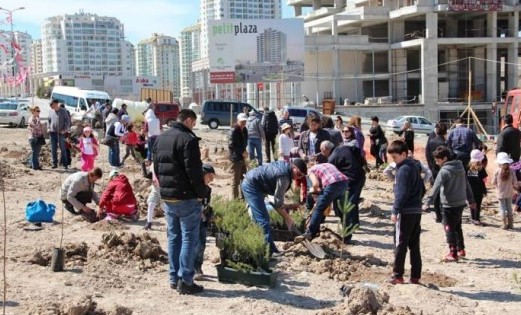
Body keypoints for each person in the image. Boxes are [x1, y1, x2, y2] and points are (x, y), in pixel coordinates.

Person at [154, 109, 207, 295]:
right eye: (193, 123)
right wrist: (201, 193)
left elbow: (156, 167)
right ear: (189, 120)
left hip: (168, 196)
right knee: (188, 239)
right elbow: (194, 172)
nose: (194, 126)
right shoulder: (188, 140)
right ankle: (185, 280)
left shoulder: (161, 138)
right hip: (186, 197)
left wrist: (164, 189)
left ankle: (173, 277)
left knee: (174, 237)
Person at [241, 159, 307, 254]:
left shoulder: (285, 166)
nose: (299, 177)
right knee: (263, 220)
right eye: (299, 173)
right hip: (252, 186)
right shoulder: (284, 177)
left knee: (259, 219)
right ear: (294, 167)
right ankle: (270, 251)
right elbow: (277, 203)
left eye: (301, 176)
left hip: (257, 184)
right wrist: (288, 219)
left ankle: (257, 245)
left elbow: (276, 200)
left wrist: (287, 207)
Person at [424, 146, 476, 262]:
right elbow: (466, 185)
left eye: (438, 160)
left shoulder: (444, 171)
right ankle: (460, 249)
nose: (437, 163)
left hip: (449, 203)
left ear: (445, 158)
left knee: (448, 227)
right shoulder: (461, 167)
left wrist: (427, 202)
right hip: (461, 202)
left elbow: (435, 187)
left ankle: (453, 253)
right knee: (457, 226)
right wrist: (471, 200)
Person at [386, 140, 423, 285]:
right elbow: (422, 188)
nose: (393, 161)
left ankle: (398, 275)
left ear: (403, 154)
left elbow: (401, 193)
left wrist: (395, 210)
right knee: (414, 244)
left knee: (400, 243)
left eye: (395, 157)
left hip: (406, 210)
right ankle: (415, 276)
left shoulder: (403, 170)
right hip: (416, 209)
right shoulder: (414, 166)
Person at [320, 138, 366, 244]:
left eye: (322, 151)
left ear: (326, 149)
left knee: (345, 205)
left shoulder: (332, 158)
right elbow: (357, 151)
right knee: (352, 202)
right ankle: (354, 224)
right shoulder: (343, 147)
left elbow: (329, 176)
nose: (322, 154)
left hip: (351, 180)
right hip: (360, 176)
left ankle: (347, 234)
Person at [296, 162, 349, 242]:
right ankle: (347, 236)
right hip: (344, 182)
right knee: (341, 210)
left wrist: (312, 190)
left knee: (318, 210)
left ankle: (311, 233)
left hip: (332, 184)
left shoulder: (310, 170)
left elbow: (315, 184)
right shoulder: (327, 165)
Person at [194, 163, 216, 279]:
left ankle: (198, 267)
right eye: (210, 176)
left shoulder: (207, 190)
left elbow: (207, 205)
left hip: (202, 220)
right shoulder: (194, 188)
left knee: (201, 245)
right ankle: (192, 268)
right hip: (193, 220)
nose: (211, 179)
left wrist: (210, 214)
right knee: (193, 244)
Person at [492, 152, 518, 229]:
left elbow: (493, 182)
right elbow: (515, 182)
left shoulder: (497, 171)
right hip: (509, 192)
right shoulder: (512, 171)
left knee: (502, 208)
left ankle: (504, 224)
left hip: (500, 193)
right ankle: (511, 224)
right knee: (509, 208)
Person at [229, 113, 248, 199]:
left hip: (242, 158)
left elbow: (245, 142)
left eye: (244, 121)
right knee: (235, 181)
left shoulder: (245, 130)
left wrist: (244, 151)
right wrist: (242, 152)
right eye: (242, 121)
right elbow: (231, 145)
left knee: (243, 179)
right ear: (238, 121)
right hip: (236, 158)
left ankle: (243, 197)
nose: (243, 123)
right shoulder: (233, 130)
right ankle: (235, 200)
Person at [466, 149, 488, 226]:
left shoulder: (468, 168)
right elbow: (485, 180)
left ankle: (472, 218)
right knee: (478, 205)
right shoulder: (481, 169)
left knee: (471, 203)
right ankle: (477, 219)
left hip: (469, 190)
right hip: (479, 190)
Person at [143, 162, 167, 230]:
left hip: (163, 189)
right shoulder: (154, 164)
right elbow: (149, 174)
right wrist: (143, 167)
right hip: (155, 190)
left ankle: (171, 224)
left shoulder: (165, 163)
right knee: (151, 204)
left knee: (165, 207)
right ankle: (149, 222)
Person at [48, 99, 71, 169]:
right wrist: (48, 128)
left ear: (56, 104)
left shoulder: (63, 111)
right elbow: (48, 120)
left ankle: (65, 164)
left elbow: (68, 122)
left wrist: (64, 130)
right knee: (53, 149)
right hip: (52, 133)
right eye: (51, 106)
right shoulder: (51, 111)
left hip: (61, 133)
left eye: (53, 105)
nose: (52, 107)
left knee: (63, 149)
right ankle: (54, 164)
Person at [27, 106, 44, 171]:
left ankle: (32, 164)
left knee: (36, 152)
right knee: (35, 152)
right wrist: (39, 121)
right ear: (33, 112)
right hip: (33, 137)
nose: (39, 112)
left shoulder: (36, 118)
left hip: (38, 137)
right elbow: (36, 126)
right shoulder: (32, 118)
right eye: (37, 111)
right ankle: (35, 166)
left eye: (39, 111)